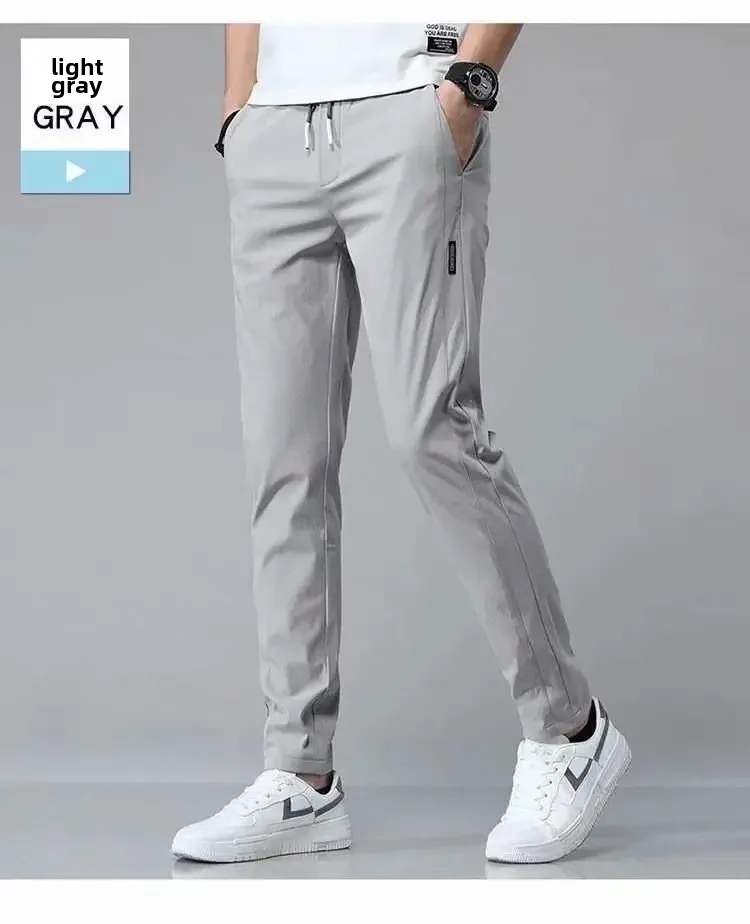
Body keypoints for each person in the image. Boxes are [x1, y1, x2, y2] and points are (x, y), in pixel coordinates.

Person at [171, 22, 631, 866]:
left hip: (409, 109)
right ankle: (301, 775)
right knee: (284, 460)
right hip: (273, 132)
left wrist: (466, 85)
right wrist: (240, 102)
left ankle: (571, 731)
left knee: (434, 428)